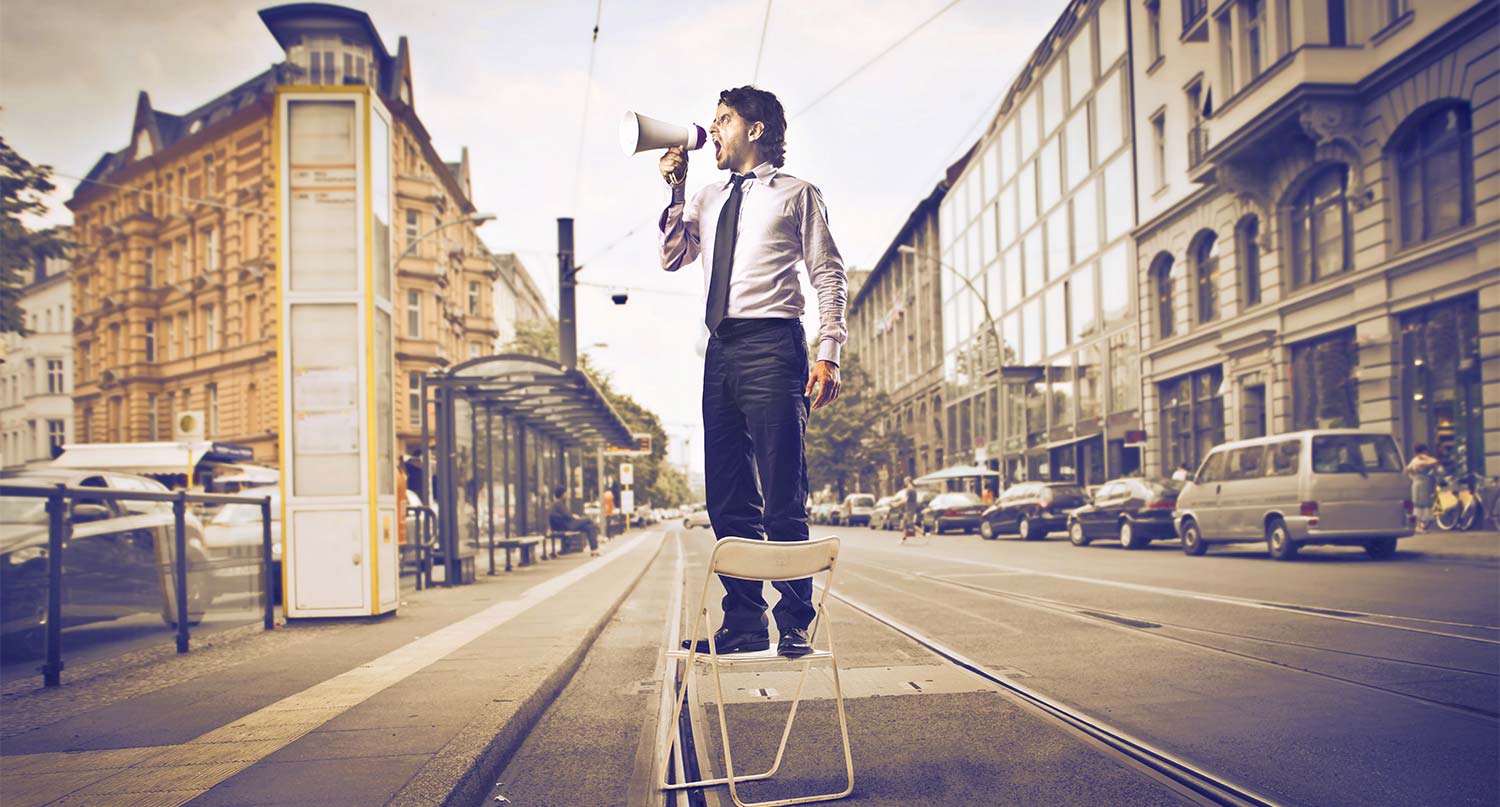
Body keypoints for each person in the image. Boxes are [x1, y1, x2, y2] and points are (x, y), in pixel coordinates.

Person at [659, 86, 847, 659]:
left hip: (774, 345)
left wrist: (829, 351)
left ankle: (793, 621)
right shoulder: (709, 196)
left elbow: (828, 273)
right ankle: (742, 624)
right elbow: (672, 256)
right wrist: (676, 187)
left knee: (782, 490)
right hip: (721, 350)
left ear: (755, 129)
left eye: (722, 120)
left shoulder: (797, 195)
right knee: (728, 496)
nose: (711, 130)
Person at [549, 486, 600, 556]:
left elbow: (565, 514)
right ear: (562, 494)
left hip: (565, 525)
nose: (567, 495)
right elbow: (566, 515)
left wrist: (572, 516)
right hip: (567, 526)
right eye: (566, 493)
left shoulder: (557, 503)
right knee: (588, 520)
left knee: (590, 527)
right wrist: (574, 516)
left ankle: (594, 550)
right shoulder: (558, 503)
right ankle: (595, 548)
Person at [1405, 444, 1440, 532]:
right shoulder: (1419, 461)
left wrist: (1413, 477)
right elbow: (1435, 461)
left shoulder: (1414, 460)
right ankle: (1419, 526)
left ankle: (1421, 525)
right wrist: (1426, 457)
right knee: (1420, 504)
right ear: (1423, 452)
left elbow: (1407, 469)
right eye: (1425, 452)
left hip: (1417, 483)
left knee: (1420, 503)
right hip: (1422, 484)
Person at [899, 477, 923, 543]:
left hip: (910, 509)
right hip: (910, 508)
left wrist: (897, 503)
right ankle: (903, 538)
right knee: (904, 523)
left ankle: (923, 533)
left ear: (908, 481)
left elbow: (906, 499)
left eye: (905, 481)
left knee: (910, 524)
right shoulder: (913, 489)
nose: (904, 483)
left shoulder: (909, 490)